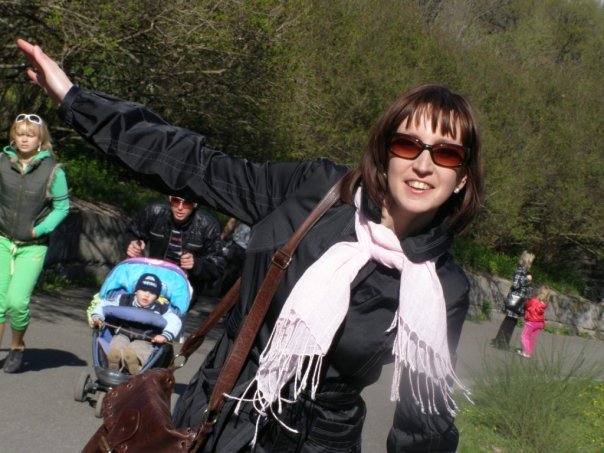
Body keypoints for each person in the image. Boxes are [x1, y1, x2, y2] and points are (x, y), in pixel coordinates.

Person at [18, 39, 485, 452]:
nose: (424, 165)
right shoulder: (315, 192)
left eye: (446, 153)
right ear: (386, 152)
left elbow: (423, 422)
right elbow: (195, 166)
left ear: (462, 177)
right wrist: (77, 100)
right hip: (220, 414)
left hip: (320, 442)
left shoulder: (442, 288)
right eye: (408, 145)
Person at [0, 112, 69, 373]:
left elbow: (62, 208)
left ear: (40, 139)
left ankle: (17, 346)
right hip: (2, 240)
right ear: (13, 137)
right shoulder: (2, 162)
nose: (24, 139)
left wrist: (38, 230)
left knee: (17, 302)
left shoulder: (53, 171)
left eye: (30, 135)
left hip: (32, 245)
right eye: (20, 134)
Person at [124, 195, 226, 303]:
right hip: (151, 278)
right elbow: (131, 233)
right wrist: (131, 243)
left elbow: (218, 267)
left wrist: (196, 264)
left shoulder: (208, 225)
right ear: (169, 198)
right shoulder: (154, 211)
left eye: (186, 203)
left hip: (183, 287)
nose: (180, 207)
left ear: (195, 204)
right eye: (176, 201)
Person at [90, 273, 182, 374]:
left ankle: (134, 365)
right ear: (136, 291)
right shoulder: (124, 299)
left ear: (156, 297)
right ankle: (115, 362)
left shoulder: (161, 309)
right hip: (123, 333)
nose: (147, 295)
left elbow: (175, 321)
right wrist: (97, 317)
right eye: (143, 290)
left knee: (139, 349)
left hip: (146, 339)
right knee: (118, 342)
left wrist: (165, 336)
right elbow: (104, 305)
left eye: (152, 293)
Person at [491, 250, 535, 351]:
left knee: (510, 321)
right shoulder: (521, 270)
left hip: (518, 301)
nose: (532, 262)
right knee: (510, 321)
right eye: (531, 260)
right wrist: (527, 279)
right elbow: (516, 284)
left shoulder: (524, 270)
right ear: (527, 260)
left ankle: (499, 341)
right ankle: (502, 343)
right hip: (516, 300)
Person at [219, 217, 251, 295]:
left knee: (226, 270)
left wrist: (222, 236)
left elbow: (232, 221)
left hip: (236, 245)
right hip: (249, 249)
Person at [517, 286, 551, 358]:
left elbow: (526, 304)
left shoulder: (533, 301)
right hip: (539, 323)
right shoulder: (544, 304)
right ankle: (528, 351)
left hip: (531, 322)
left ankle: (527, 352)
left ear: (538, 292)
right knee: (532, 338)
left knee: (524, 336)